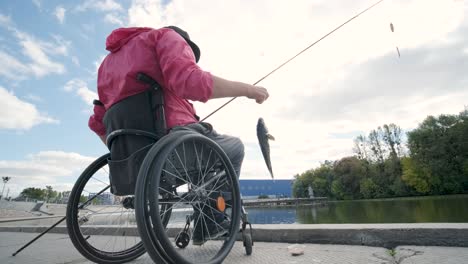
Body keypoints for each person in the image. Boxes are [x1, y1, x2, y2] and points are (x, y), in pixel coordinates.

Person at [88, 26, 269, 245]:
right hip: (172, 144)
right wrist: (249, 90)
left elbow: (99, 122)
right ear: (183, 43)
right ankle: (212, 221)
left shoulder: (106, 65)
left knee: (201, 161)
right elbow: (191, 82)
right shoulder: (164, 37)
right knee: (235, 147)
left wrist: (125, 151)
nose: (188, 58)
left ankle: (206, 221)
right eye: (188, 54)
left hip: (132, 159)